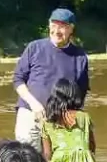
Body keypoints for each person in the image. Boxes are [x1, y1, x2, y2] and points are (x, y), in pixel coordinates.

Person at [13, 8, 89, 151]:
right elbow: (18, 80)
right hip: (30, 114)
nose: (56, 31)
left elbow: (81, 93)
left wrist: (70, 116)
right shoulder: (34, 48)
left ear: (71, 29)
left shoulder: (80, 57)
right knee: (28, 159)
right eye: (53, 26)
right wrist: (34, 104)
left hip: (61, 119)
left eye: (62, 27)